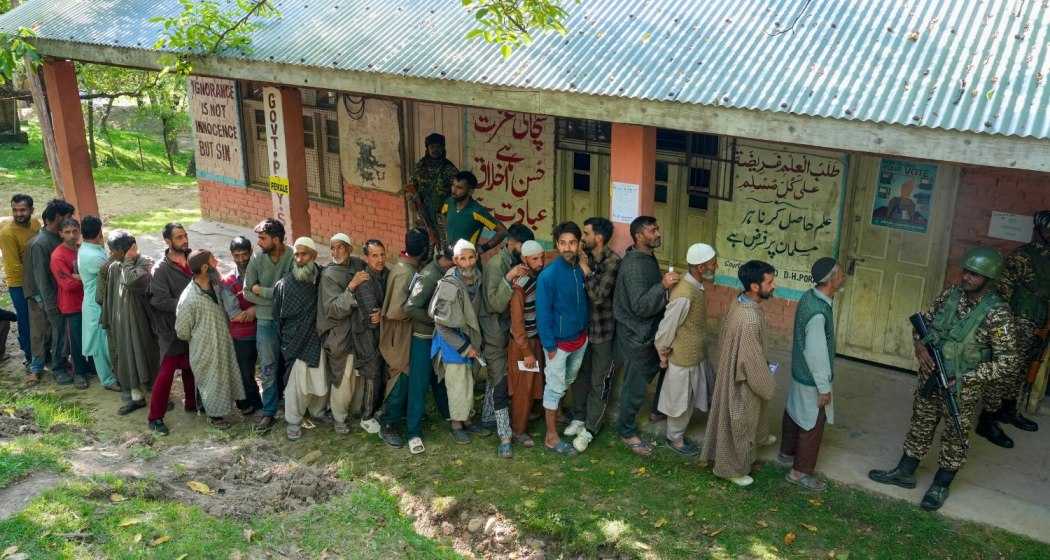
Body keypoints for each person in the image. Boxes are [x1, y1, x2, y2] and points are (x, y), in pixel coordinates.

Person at [869, 247, 1020, 511]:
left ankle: (941, 484)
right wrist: (919, 347)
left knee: (956, 435)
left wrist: (968, 378)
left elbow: (1009, 362)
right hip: (931, 377)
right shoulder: (951, 294)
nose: (966, 277)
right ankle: (905, 471)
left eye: (974, 274)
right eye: (966, 271)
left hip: (962, 388)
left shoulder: (998, 313)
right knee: (921, 422)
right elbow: (924, 322)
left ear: (989, 278)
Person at [700, 260, 778, 487]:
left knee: (741, 419)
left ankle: (754, 444)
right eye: (770, 282)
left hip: (731, 367)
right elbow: (751, 363)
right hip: (740, 379)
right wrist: (767, 384)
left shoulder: (740, 301)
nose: (774, 286)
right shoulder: (750, 318)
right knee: (739, 422)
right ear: (754, 286)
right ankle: (730, 468)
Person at [777, 257, 846, 492]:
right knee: (812, 423)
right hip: (811, 378)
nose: (844, 276)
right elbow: (816, 354)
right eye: (841, 273)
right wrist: (824, 388)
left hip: (799, 373)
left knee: (794, 412)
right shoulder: (818, 313)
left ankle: (786, 453)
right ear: (832, 279)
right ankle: (800, 472)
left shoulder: (809, 297)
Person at [612, 216, 680, 456]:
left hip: (648, 331)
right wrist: (662, 286)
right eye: (653, 230)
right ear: (639, 236)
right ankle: (627, 431)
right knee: (635, 385)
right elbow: (640, 306)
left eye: (657, 228)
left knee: (661, 368)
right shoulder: (633, 266)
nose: (658, 233)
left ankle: (656, 410)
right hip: (635, 334)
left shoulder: (646, 257)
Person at [653, 243, 719, 457]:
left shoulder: (695, 287)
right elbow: (667, 328)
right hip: (682, 357)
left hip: (694, 355)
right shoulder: (684, 293)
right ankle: (675, 439)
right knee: (680, 401)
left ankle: (677, 435)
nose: (715, 265)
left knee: (689, 397)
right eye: (712, 262)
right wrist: (662, 352)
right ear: (700, 268)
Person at [990, 209, 1049, 439]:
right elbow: (1003, 290)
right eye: (1047, 230)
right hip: (1016, 321)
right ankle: (988, 418)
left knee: (1023, 370)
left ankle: (1008, 410)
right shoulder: (1022, 256)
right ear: (1039, 230)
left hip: (1038, 323)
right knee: (1005, 369)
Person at [565, 217, 621, 452]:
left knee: (600, 380)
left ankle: (590, 428)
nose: (582, 238)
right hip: (581, 330)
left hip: (602, 332)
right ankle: (578, 417)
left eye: (586, 234)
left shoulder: (613, 262)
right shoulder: (581, 258)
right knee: (579, 375)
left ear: (598, 237)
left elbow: (598, 297)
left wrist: (586, 271)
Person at [175, 250, 246, 429]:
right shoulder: (189, 298)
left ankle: (220, 410)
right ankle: (214, 417)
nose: (217, 262)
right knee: (211, 382)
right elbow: (182, 331)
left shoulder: (215, 286)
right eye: (213, 260)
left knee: (222, 378)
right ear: (205, 267)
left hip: (221, 342)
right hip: (204, 348)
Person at [536, 222, 590, 456]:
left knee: (567, 380)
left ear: (579, 245)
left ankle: (556, 414)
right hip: (557, 344)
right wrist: (549, 345)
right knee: (554, 387)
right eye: (563, 243)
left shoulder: (579, 269)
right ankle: (551, 436)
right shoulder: (548, 275)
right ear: (557, 245)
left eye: (573, 243)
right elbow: (543, 312)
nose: (568, 247)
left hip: (579, 338)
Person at [478, 223, 533, 450]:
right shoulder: (496, 265)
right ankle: (505, 436)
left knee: (498, 378)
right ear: (510, 242)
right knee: (500, 381)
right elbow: (494, 304)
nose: (523, 250)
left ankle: (488, 418)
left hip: (509, 332)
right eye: (521, 245)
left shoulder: (514, 262)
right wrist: (509, 277)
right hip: (494, 333)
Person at [430, 239, 486, 443]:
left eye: (471, 257)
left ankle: (468, 420)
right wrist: (464, 347)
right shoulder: (449, 284)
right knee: (457, 384)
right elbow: (442, 325)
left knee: (467, 381)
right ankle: (456, 423)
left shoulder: (477, 276)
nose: (468, 263)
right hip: (452, 342)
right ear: (455, 260)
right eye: (463, 259)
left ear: (476, 257)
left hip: (467, 337)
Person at [379, 229, 430, 448]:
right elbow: (396, 311)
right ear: (425, 250)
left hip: (405, 333)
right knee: (400, 377)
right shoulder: (405, 273)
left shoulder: (407, 268)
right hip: (399, 334)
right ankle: (388, 423)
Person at [401, 244, 454, 454]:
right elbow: (411, 307)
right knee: (419, 385)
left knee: (439, 376)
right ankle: (413, 432)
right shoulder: (429, 276)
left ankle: (448, 413)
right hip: (423, 337)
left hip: (436, 336)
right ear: (446, 260)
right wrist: (436, 321)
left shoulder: (443, 272)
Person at [243, 218, 294, 433]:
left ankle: (294, 408)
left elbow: (291, 292)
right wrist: (274, 294)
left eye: (263, 238)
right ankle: (269, 411)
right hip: (265, 321)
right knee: (268, 366)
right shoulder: (257, 257)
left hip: (289, 320)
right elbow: (247, 291)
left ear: (276, 239)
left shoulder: (292, 255)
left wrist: (261, 291)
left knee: (292, 364)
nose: (259, 243)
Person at [274, 237, 327, 441]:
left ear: (313, 256)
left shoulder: (322, 278)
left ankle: (316, 412)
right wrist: (288, 340)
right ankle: (293, 421)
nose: (299, 258)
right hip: (294, 343)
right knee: (296, 385)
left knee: (318, 379)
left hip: (317, 338)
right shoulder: (284, 284)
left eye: (304, 254)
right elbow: (277, 318)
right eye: (296, 254)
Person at [101, 231, 159, 415]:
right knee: (127, 360)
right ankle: (136, 398)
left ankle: (159, 398)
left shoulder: (145, 262)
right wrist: (108, 318)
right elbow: (106, 295)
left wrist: (127, 260)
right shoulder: (113, 266)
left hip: (142, 323)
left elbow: (133, 280)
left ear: (126, 250)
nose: (111, 254)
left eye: (113, 251)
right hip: (121, 324)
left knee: (148, 358)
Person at [147, 222, 197, 435]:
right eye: (178, 237)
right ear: (168, 241)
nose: (184, 240)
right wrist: (186, 305)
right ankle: (155, 417)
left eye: (185, 235)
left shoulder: (193, 259)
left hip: (194, 326)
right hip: (170, 329)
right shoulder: (160, 269)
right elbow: (158, 300)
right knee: (166, 373)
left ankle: (192, 404)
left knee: (191, 366)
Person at [317, 232, 366, 435]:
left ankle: (355, 410)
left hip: (358, 331)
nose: (336, 252)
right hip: (339, 333)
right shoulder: (329, 275)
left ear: (349, 248)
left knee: (357, 374)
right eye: (333, 248)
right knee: (342, 376)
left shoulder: (356, 265)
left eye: (341, 247)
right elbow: (333, 309)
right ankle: (339, 417)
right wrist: (352, 286)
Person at [23, 198, 75, 385]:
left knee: (58, 332)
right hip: (41, 296)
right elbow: (41, 278)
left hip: (56, 294)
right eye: (68, 216)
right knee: (44, 332)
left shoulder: (58, 238)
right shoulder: (40, 243)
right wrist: (49, 303)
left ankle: (56, 363)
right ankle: (51, 368)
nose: (71, 220)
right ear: (58, 217)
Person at [505, 240, 547, 453]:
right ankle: (518, 430)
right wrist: (526, 352)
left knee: (533, 386)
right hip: (523, 345)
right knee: (523, 389)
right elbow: (517, 324)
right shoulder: (519, 285)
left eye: (541, 257)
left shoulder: (536, 277)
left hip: (535, 340)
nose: (540, 263)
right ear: (524, 260)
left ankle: (528, 418)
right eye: (534, 259)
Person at [351, 239, 390, 434]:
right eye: (375, 255)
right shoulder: (364, 279)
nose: (380, 259)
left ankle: (378, 412)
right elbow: (372, 316)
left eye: (382, 254)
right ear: (367, 258)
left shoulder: (388, 274)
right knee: (372, 374)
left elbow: (381, 313)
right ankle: (366, 416)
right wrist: (384, 313)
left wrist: (383, 313)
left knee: (383, 373)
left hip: (384, 335)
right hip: (366, 334)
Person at [222, 236, 263, 415]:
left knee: (271, 369)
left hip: (264, 329)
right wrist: (259, 308)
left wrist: (254, 311)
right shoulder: (228, 281)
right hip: (242, 336)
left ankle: (269, 404)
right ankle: (253, 404)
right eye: (236, 255)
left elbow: (274, 297)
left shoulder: (262, 273)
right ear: (231, 255)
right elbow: (235, 315)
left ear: (251, 252)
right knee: (246, 374)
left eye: (244, 255)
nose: (241, 259)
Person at [77, 215, 118, 391]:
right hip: (96, 304)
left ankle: (111, 376)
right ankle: (108, 380)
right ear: (99, 232)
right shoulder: (93, 255)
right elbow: (111, 271)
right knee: (100, 345)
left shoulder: (89, 248)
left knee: (103, 341)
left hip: (96, 301)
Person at [49, 217, 91, 389]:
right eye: (67, 232)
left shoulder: (82, 250)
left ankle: (91, 368)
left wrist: (79, 277)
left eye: (75, 231)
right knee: (75, 341)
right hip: (71, 305)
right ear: (60, 233)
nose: (72, 235)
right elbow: (67, 284)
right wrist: (85, 278)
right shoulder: (58, 256)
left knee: (89, 336)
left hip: (87, 301)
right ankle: (79, 374)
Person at [0, 193, 40, 368]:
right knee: (25, 320)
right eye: (15, 210)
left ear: (31, 210)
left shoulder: (35, 223)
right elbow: (14, 265)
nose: (18, 214)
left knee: (40, 319)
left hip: (38, 279)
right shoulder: (7, 233)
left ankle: (42, 352)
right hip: (19, 283)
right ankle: (31, 356)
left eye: (23, 210)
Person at [409, 132, 459, 243]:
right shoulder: (420, 166)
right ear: (427, 148)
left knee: (443, 245)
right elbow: (412, 187)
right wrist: (414, 203)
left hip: (442, 217)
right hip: (423, 216)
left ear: (443, 148)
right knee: (424, 245)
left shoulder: (449, 169)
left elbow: (458, 193)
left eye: (438, 147)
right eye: (432, 147)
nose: (435, 150)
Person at [439, 171, 508, 251]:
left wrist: (483, 248)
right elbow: (442, 215)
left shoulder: (477, 211)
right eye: (453, 185)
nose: (453, 191)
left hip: (466, 260)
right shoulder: (449, 202)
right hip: (448, 255)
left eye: (459, 188)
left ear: (470, 191)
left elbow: (502, 231)